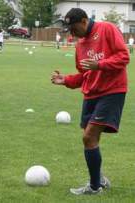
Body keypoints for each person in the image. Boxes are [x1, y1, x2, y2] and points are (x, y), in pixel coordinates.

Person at [51, 8, 129, 195]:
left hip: (112, 90)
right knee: (90, 139)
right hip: (91, 94)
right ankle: (99, 179)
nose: (72, 33)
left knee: (88, 137)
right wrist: (67, 80)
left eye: (74, 27)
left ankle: (95, 187)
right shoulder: (80, 45)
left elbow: (124, 57)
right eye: (69, 29)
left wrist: (100, 64)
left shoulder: (106, 29)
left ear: (85, 21)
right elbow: (85, 74)